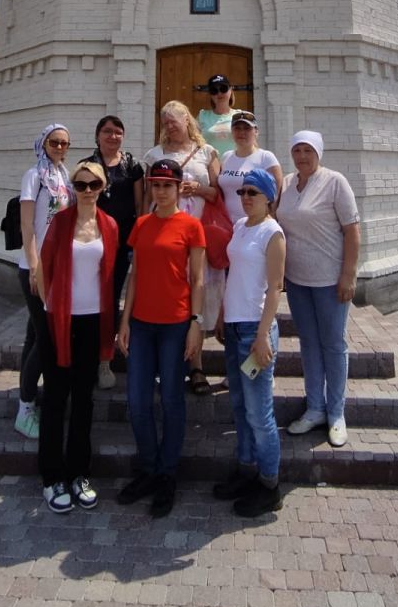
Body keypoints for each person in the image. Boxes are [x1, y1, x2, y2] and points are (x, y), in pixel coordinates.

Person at [116, 158, 206, 518]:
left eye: (168, 185)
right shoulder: (141, 225)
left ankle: (167, 474)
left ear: (179, 187)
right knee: (138, 401)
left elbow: (198, 278)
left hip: (174, 324)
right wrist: (124, 320)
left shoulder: (191, 226)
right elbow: (135, 274)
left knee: (171, 399)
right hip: (141, 324)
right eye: (156, 184)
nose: (161, 190)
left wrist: (196, 323)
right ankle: (150, 469)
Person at [37, 160, 119, 513]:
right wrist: (50, 308)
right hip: (60, 320)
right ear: (73, 187)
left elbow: (111, 272)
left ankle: (78, 474)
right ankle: (52, 477)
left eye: (93, 185)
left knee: (84, 398)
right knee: (56, 398)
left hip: (92, 321)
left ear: (103, 188)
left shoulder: (110, 226)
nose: (87, 191)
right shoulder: (61, 222)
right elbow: (44, 268)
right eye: (81, 185)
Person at [276, 130, 360, 448]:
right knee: (309, 344)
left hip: (330, 280)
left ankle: (336, 413)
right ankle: (314, 408)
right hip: (298, 281)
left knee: (334, 344)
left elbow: (352, 230)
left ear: (319, 153)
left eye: (308, 150)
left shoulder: (335, 182)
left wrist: (348, 275)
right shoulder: (286, 183)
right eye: (297, 150)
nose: (302, 156)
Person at [214, 168, 285, 517]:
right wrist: (221, 314)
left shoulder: (273, 233)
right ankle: (245, 470)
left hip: (255, 330)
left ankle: (269, 484)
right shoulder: (241, 227)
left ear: (268, 197)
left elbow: (275, 288)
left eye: (253, 193)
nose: (245, 198)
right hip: (233, 325)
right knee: (240, 408)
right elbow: (234, 274)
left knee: (260, 413)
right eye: (242, 192)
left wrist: (262, 336)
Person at [143, 100, 220, 394]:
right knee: (167, 295)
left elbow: (216, 194)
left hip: (196, 233)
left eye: (174, 121)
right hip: (163, 236)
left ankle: (196, 365)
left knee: (196, 295)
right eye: (165, 122)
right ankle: (168, 363)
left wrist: (196, 188)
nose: (169, 127)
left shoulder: (206, 153)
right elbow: (147, 199)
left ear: (187, 120)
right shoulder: (155, 154)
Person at [15, 122, 73, 440]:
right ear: (43, 143)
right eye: (55, 143)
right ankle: (25, 408)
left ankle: (27, 399)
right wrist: (35, 266)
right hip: (35, 268)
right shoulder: (34, 176)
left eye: (65, 143)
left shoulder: (63, 176)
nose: (60, 148)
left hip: (57, 267)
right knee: (46, 338)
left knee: (33, 336)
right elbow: (28, 226)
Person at [88, 115, 144, 389]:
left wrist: (138, 239)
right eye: (107, 131)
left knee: (112, 297)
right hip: (93, 244)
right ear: (97, 135)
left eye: (118, 132)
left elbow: (139, 205)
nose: (112, 136)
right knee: (94, 298)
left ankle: (105, 359)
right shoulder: (87, 166)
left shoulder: (131, 166)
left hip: (122, 242)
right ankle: (93, 355)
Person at [217, 111, 283, 224]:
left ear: (256, 132)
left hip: (255, 224)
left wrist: (267, 222)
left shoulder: (266, 157)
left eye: (247, 128)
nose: (241, 132)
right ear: (232, 131)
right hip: (227, 224)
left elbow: (277, 195)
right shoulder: (226, 157)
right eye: (237, 128)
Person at [197, 73, 239, 156]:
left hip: (235, 166)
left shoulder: (240, 116)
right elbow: (192, 142)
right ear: (210, 94)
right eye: (214, 90)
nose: (219, 93)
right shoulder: (202, 116)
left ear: (231, 90)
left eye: (223, 89)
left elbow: (252, 144)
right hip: (209, 166)